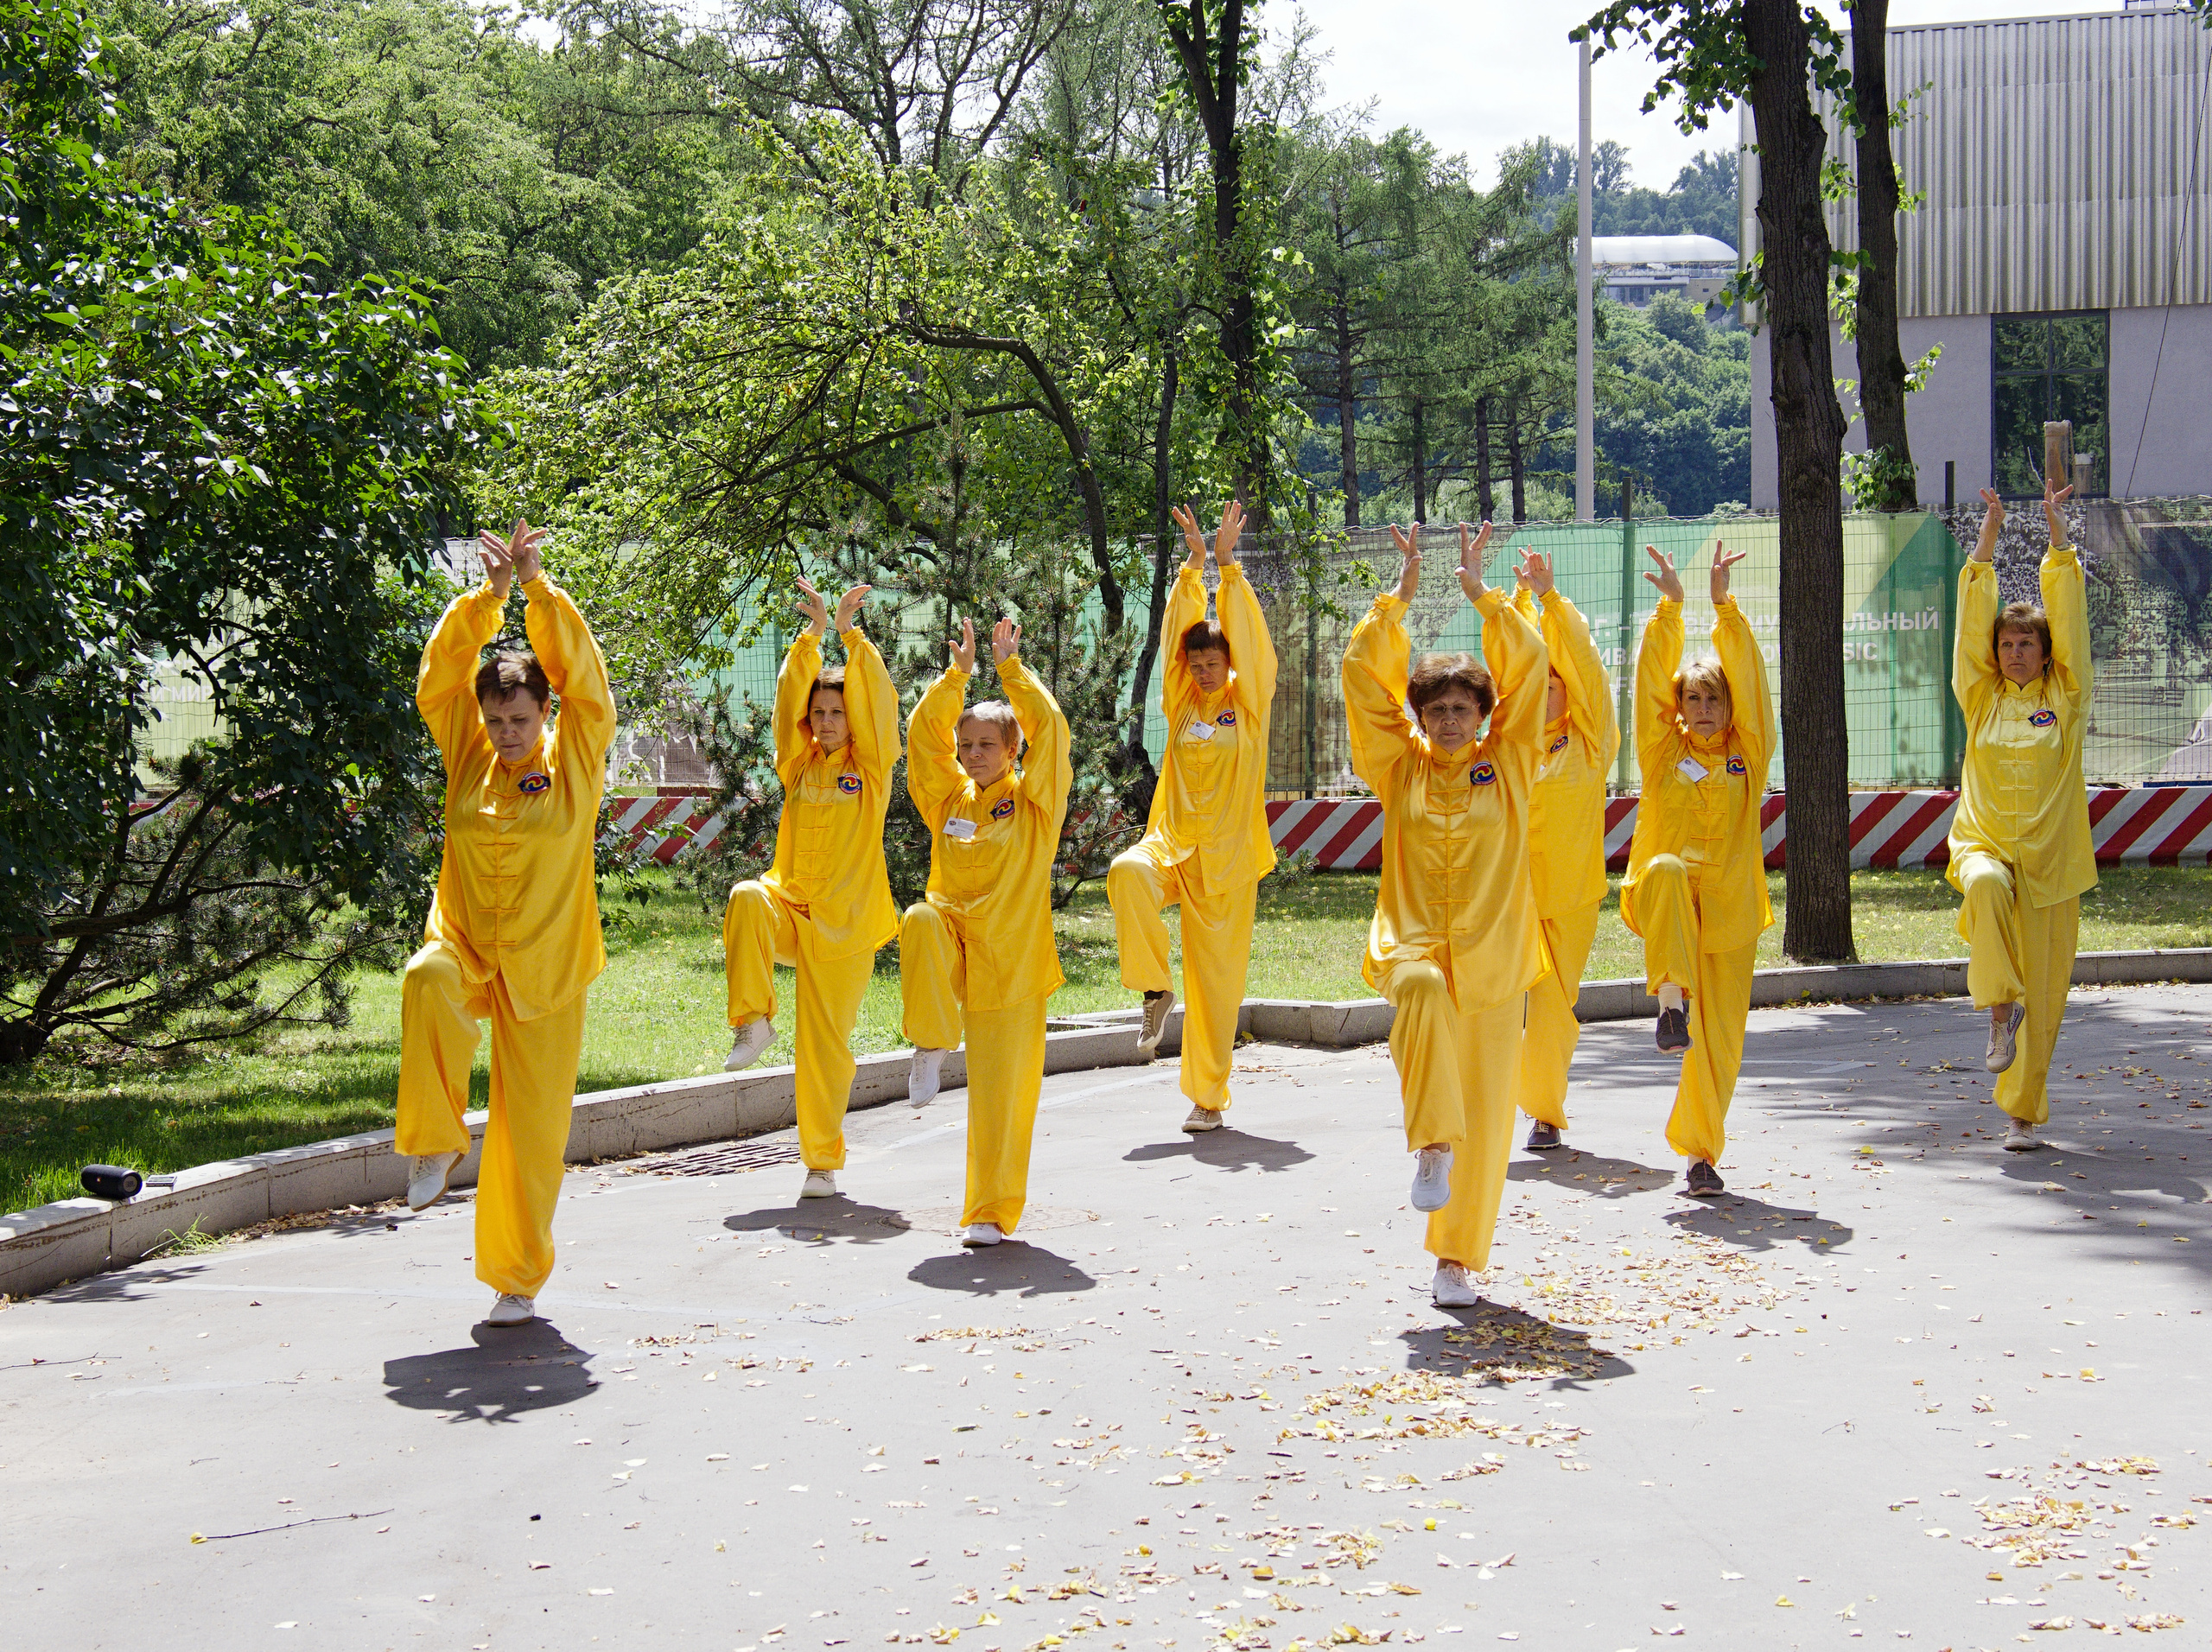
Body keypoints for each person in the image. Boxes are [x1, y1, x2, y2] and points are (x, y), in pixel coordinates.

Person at [397, 517, 616, 1328]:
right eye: (496, 721)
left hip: (549, 964)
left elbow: (590, 684)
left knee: (531, 1133)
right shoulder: (468, 749)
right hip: (466, 940)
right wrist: (487, 603)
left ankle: (515, 1280)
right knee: (426, 980)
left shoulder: (576, 758)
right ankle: (433, 1139)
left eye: (519, 720)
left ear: (544, 711)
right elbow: (436, 683)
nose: (507, 734)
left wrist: (535, 591)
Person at [1342, 520, 1548, 1309]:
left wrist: (1483, 598)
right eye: (1438, 707)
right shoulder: (1400, 768)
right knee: (1419, 991)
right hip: (1415, 943)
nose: (1452, 719)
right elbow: (1363, 678)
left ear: (1482, 713)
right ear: (1421, 715)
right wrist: (1397, 601)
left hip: (1495, 959)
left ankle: (1456, 1261)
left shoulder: (1512, 760)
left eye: (1464, 706)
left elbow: (1530, 668)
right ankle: (1430, 1141)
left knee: (1491, 1120)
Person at [721, 579, 899, 1201]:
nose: (826, 722)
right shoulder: (796, 763)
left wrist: (850, 637)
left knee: (824, 1045)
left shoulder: (870, 771)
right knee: (746, 896)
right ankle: (753, 1021)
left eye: (837, 712)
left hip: (847, 925)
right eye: (819, 713)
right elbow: (784, 707)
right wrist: (812, 638)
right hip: (791, 908)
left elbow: (880, 706)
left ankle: (821, 1161)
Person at [900, 616, 1074, 1247]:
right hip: (952, 942)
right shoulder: (948, 800)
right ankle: (931, 1042)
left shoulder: (1035, 803)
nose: (973, 754)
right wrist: (958, 677)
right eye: (966, 744)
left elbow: (1052, 729)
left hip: (1012, 966)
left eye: (986, 745)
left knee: (1002, 1101)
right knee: (918, 918)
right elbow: (921, 739)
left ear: (1013, 751)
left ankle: (988, 1213)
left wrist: (1010, 672)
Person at [1107, 499, 1276, 1134]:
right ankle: (1154, 988)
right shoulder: (1181, 703)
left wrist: (1229, 572)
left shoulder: (1249, 707)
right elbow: (1177, 633)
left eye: (1215, 662)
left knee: (1217, 987)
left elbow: (1255, 648)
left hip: (1228, 863)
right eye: (1197, 663)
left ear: (1230, 665)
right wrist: (1194, 569)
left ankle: (1208, 1096)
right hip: (1173, 845)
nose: (1205, 670)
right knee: (1127, 874)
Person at [1618, 540, 1770, 1199]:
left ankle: (1701, 1154)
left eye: (1715, 698)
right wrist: (1671, 612)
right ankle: (1670, 1000)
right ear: (1679, 709)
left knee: (1722, 1046)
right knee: (1670, 870)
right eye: (1694, 699)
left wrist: (1723, 609)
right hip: (1665, 897)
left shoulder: (1748, 757)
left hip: (1731, 913)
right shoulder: (1660, 750)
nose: (1704, 708)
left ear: (1730, 708)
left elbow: (1757, 687)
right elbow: (1651, 683)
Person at [1947, 480, 2093, 1151]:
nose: (2012, 652)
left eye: (2025, 644)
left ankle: (2022, 1115)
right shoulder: (1979, 698)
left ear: (2044, 652)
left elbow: (2071, 621)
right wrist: (1990, 536)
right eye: (2005, 644)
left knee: (2050, 996)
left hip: (2050, 864)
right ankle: (1999, 1010)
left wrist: (2058, 536)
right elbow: (1972, 613)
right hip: (1984, 844)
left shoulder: (2064, 699)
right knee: (1981, 885)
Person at [1509, 547, 1619, 1153]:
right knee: (1493, 1002)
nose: (1546, 693)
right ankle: (1479, 1105)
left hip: (1571, 895)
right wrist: (1520, 605)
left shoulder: (1589, 743)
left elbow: (1587, 669)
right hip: (1512, 898)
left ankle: (1544, 1112)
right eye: (1537, 684)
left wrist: (1549, 599)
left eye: (1554, 685)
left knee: (1552, 1004)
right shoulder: (1505, 748)